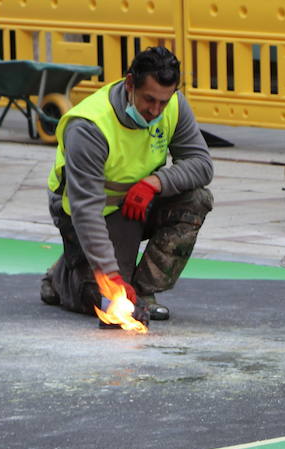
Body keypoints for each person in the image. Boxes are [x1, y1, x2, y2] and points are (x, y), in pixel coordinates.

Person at [41, 46, 214, 323]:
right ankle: (60, 276)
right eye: (149, 100)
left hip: (138, 203)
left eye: (163, 102)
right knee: (101, 302)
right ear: (130, 83)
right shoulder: (89, 126)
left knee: (196, 200)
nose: (155, 110)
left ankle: (143, 292)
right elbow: (86, 210)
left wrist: (155, 183)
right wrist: (109, 276)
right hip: (87, 212)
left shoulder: (174, 106)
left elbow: (202, 164)